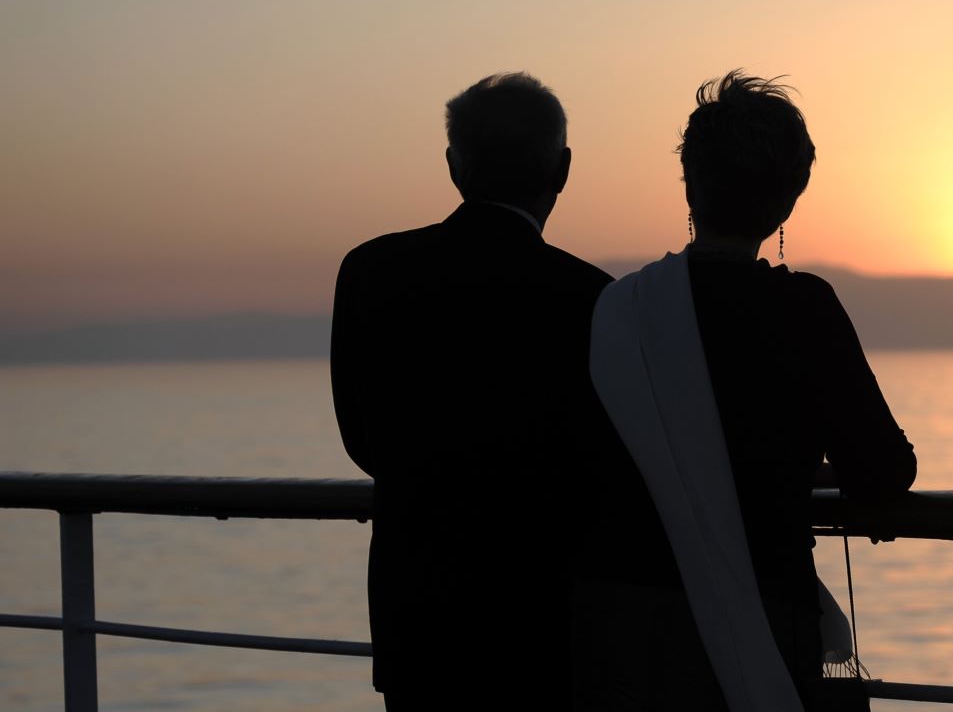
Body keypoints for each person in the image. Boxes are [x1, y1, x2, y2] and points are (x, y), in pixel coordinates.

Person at [331, 72, 662, 710]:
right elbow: (615, 459)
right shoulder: (593, 298)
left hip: (418, 613)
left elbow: (364, 439)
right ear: (562, 169)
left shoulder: (372, 270)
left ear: (454, 166)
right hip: (550, 615)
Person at [587, 71, 917, 710]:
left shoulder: (618, 309)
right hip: (764, 613)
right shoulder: (803, 310)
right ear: (788, 200)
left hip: (622, 627)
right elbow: (882, 473)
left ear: (690, 185)